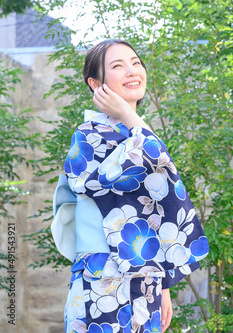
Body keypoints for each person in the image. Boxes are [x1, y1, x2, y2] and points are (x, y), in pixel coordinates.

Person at [52, 39, 209, 333]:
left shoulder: (138, 130)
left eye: (136, 62)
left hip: (146, 281)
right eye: (118, 66)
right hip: (102, 277)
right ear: (96, 83)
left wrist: (163, 288)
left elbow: (157, 210)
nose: (132, 70)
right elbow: (135, 172)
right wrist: (130, 118)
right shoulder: (89, 135)